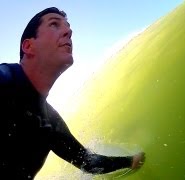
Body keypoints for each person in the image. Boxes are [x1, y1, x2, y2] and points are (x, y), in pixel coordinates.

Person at [0, 7, 145, 179]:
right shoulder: (5, 79)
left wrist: (131, 161)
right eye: (54, 24)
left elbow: (86, 161)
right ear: (28, 46)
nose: (68, 31)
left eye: (68, 27)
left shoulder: (49, 121)